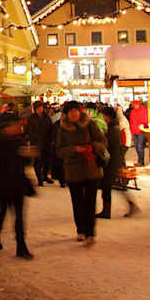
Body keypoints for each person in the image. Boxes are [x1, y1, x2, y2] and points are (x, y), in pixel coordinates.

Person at [57, 100, 108, 247]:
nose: (74, 114)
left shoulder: (90, 125)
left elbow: (103, 141)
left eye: (76, 111)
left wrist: (92, 147)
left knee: (90, 202)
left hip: (91, 168)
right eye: (71, 111)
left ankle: (90, 232)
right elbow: (59, 151)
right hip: (73, 171)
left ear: (81, 112)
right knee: (77, 202)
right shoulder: (62, 129)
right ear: (66, 114)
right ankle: (80, 229)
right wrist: (74, 149)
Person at [0, 113, 36, 259]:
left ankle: (21, 246)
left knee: (19, 216)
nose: (19, 128)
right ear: (6, 127)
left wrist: (28, 156)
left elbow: (26, 164)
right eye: (15, 125)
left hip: (18, 182)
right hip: (3, 184)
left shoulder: (20, 141)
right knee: (2, 212)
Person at [96, 106, 138, 219]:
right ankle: (129, 205)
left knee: (107, 186)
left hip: (112, 161)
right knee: (112, 186)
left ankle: (107, 210)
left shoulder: (113, 129)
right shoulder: (113, 127)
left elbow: (110, 146)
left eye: (103, 116)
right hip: (114, 160)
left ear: (108, 116)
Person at [27, 101, 55, 186]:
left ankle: (45, 176)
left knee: (47, 160)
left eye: (41, 107)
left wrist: (51, 139)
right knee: (38, 162)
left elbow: (51, 129)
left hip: (47, 142)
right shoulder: (31, 118)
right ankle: (39, 179)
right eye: (38, 108)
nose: (40, 109)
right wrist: (36, 139)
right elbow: (30, 131)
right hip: (36, 143)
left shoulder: (47, 117)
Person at [128, 100, 149, 166]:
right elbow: (131, 122)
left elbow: (146, 120)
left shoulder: (144, 110)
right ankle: (139, 160)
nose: (135, 106)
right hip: (134, 131)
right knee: (137, 147)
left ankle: (141, 162)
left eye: (136, 105)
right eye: (134, 105)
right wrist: (131, 132)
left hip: (141, 131)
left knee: (140, 147)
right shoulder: (132, 112)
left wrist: (144, 124)